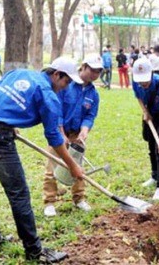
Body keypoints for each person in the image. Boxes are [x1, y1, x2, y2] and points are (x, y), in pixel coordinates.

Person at [0, 57, 84, 263]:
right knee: (19, 194)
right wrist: (72, 165)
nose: (66, 88)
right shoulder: (49, 96)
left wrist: (5, 118)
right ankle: (34, 251)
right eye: (66, 82)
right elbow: (54, 138)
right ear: (57, 74)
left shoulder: (21, 73)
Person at [43, 55, 102, 217]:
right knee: (52, 166)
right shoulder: (66, 84)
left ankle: (79, 198)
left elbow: (90, 115)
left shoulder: (93, 94)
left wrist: (84, 131)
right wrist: (61, 133)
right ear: (83, 67)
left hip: (76, 134)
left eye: (98, 72)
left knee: (78, 166)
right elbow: (57, 109)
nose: (94, 74)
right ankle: (49, 201)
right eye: (92, 70)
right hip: (58, 130)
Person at [132, 58, 159, 200]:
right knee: (151, 148)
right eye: (140, 81)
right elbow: (138, 96)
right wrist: (145, 111)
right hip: (150, 114)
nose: (143, 84)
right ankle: (154, 176)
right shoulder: (136, 81)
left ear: (152, 73)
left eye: (145, 80)